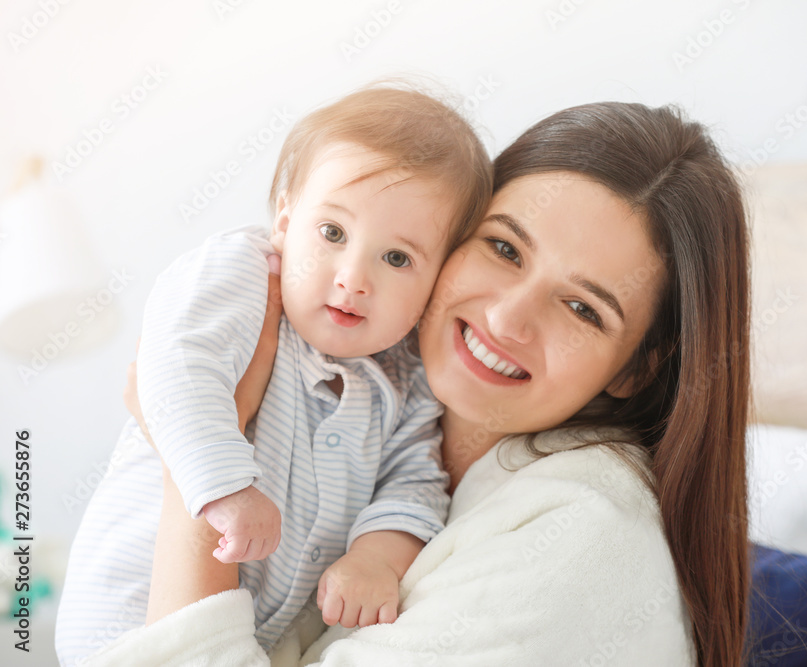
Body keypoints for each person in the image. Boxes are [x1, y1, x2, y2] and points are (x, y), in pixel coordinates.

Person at [88, 100, 752, 666]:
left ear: (639, 365)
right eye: (503, 247)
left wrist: (198, 468)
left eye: (582, 307)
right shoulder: (380, 388)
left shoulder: (580, 540)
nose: (505, 317)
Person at [54, 85, 493, 664]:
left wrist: (377, 559)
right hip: (128, 605)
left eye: (397, 258)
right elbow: (172, 370)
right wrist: (227, 488)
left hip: (246, 638)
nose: (353, 277)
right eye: (332, 233)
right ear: (286, 221)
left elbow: (413, 482)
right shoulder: (243, 274)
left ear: (438, 279)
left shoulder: (406, 377)